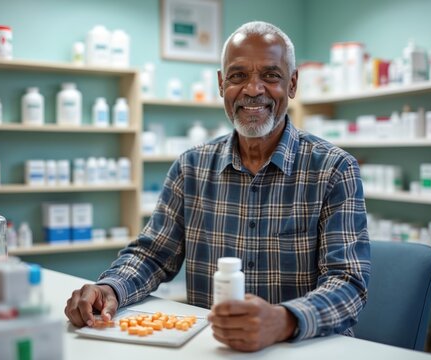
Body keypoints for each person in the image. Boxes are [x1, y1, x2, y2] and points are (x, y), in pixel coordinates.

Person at [65, 21, 370, 352]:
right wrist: (110, 289)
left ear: (292, 84)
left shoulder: (334, 169)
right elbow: (153, 256)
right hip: (215, 349)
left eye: (270, 75)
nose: (253, 89)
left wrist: (283, 320)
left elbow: (348, 283)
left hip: (305, 349)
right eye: (238, 76)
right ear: (221, 83)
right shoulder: (191, 167)